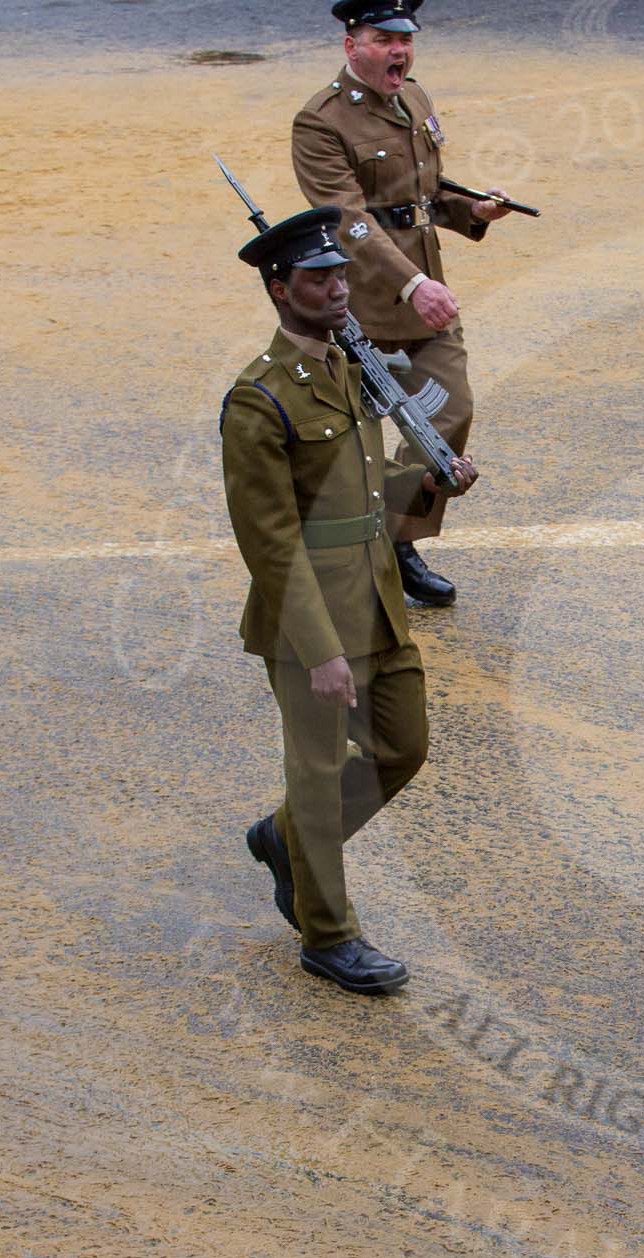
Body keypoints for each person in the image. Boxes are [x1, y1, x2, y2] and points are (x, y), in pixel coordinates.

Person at [223, 206, 476, 996]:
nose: (338, 289)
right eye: (318, 279)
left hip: (376, 596)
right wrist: (319, 649)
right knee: (318, 769)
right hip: (313, 622)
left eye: (340, 274)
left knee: (402, 747)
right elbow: (270, 541)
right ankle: (328, 935)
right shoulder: (259, 401)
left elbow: (363, 494)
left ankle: (286, 838)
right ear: (277, 288)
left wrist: (427, 483)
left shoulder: (347, 369)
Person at [292, 0, 515, 610]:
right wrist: (413, 282)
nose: (400, 51)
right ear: (351, 46)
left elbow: (421, 193)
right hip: (356, 306)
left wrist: (473, 211)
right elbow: (351, 220)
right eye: (385, 38)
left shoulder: (414, 99)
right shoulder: (320, 123)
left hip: (425, 302)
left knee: (448, 414)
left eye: (406, 39)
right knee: (344, 438)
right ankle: (351, 548)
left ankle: (397, 540)